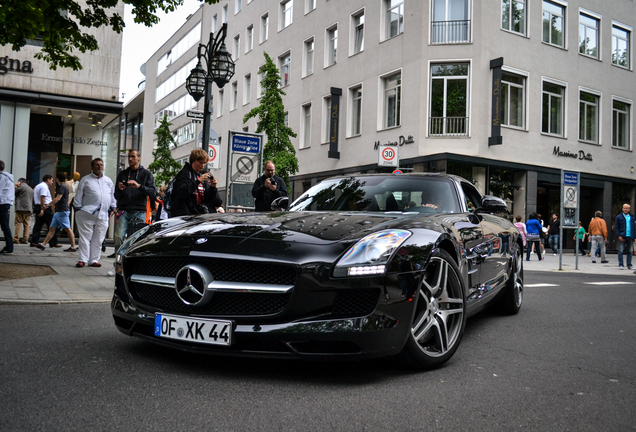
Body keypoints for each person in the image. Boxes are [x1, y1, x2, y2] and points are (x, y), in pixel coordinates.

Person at [111, 150, 156, 257]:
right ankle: (119, 263)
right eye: (129, 157)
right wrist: (121, 189)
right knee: (118, 237)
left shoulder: (146, 174)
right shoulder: (122, 174)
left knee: (134, 239)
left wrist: (138, 186)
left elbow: (153, 192)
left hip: (139, 211)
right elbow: (116, 196)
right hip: (124, 210)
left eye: (133, 156)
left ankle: (130, 262)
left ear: (139, 158)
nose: (130, 159)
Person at [74, 158, 117, 268]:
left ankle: (93, 260)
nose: (99, 166)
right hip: (87, 212)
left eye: (101, 165)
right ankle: (82, 259)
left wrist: (113, 207)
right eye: (97, 165)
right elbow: (78, 195)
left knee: (99, 238)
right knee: (85, 237)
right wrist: (78, 209)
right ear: (92, 167)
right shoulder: (85, 180)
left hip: (103, 214)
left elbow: (112, 196)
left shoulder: (108, 181)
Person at [171, 149, 222, 217]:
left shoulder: (203, 175)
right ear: (193, 161)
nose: (203, 165)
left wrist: (212, 187)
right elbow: (181, 192)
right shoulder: (184, 174)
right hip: (185, 216)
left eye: (205, 163)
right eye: (200, 162)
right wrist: (198, 181)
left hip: (199, 215)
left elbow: (209, 201)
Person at [36, 173, 77, 253]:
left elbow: (58, 198)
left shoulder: (62, 187)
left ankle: (73, 246)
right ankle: (43, 245)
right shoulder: (65, 186)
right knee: (52, 228)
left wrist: (48, 205)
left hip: (62, 211)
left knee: (67, 229)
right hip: (59, 211)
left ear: (57, 178)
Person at [30, 174, 60, 248]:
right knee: (52, 224)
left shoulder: (38, 186)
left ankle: (34, 241)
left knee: (38, 225)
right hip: (44, 207)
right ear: (48, 180)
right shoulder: (44, 187)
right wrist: (43, 209)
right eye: (51, 180)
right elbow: (43, 198)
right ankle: (53, 242)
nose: (52, 182)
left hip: (38, 206)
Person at [614, 203, 635, 270]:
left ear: (629, 209)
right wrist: (618, 235)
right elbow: (616, 227)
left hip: (630, 236)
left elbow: (634, 227)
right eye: (624, 208)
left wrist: (634, 236)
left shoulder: (632, 217)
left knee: (630, 251)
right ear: (622, 209)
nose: (625, 209)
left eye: (627, 208)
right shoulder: (619, 217)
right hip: (622, 236)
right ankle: (621, 264)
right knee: (620, 250)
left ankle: (629, 265)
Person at [0, 160, 15, 255]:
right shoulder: (9, 178)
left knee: (5, 227)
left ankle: (10, 247)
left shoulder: (2, 177)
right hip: (5, 205)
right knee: (5, 226)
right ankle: (9, 246)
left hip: (1, 205)